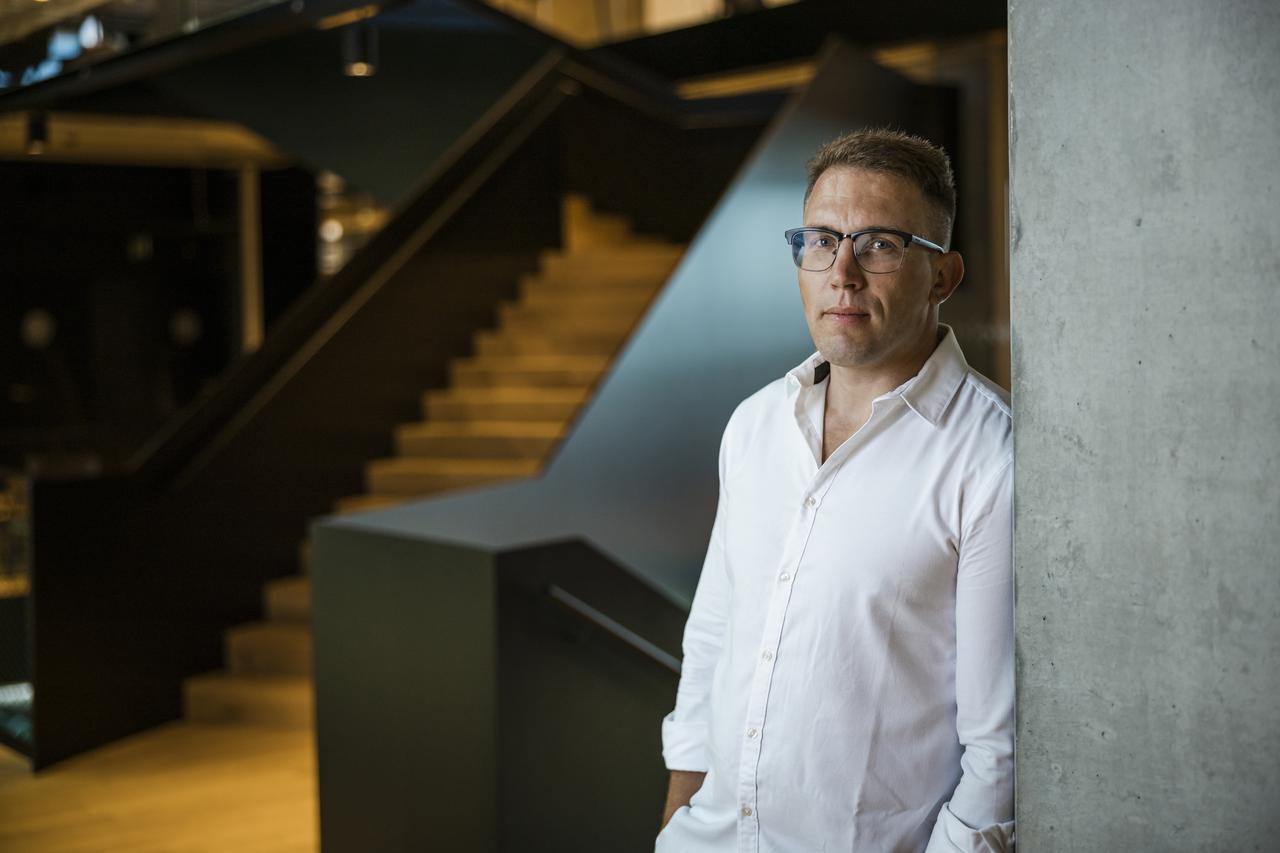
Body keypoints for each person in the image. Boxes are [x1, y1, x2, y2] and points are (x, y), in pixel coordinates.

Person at [656, 128, 1014, 852]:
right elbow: (714, 640)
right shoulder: (756, 423)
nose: (842, 274)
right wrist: (676, 823)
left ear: (942, 276)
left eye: (880, 244)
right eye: (821, 241)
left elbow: (999, 747)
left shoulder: (992, 455)